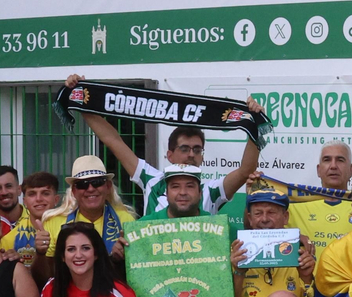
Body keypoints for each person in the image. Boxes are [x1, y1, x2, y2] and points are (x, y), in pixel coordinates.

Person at [64, 74, 262, 216]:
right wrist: (82, 101)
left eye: (197, 149)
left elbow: (245, 171)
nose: (191, 154)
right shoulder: (152, 180)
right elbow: (112, 140)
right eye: (184, 149)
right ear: (169, 155)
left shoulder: (210, 190)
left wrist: (255, 125)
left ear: (202, 156)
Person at [231, 188, 314, 297]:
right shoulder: (236, 254)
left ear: (285, 217)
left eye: (271, 212)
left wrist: (306, 277)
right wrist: (238, 273)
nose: (264, 219)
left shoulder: (301, 254)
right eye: (258, 213)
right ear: (249, 218)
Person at [25, 155, 127, 257]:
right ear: (74, 191)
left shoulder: (125, 220)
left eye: (97, 182)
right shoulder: (53, 222)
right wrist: (40, 253)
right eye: (83, 184)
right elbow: (47, 267)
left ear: (108, 186)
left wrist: (120, 259)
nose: (90, 189)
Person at [0, 170, 63, 267]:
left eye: (45, 193)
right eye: (32, 194)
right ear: (25, 201)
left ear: (56, 199)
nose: (38, 199)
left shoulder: (69, 227)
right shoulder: (9, 240)